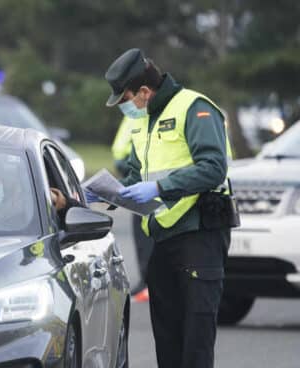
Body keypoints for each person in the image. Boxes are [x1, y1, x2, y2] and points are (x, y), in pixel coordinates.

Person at [99, 48, 233, 368]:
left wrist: (159, 188)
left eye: (126, 99)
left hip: (198, 236)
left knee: (195, 345)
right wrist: (102, 193)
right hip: (162, 239)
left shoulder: (194, 108)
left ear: (144, 92)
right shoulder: (144, 121)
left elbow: (214, 167)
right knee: (168, 343)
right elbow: (136, 174)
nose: (125, 107)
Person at [111, 117, 154, 297]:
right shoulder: (133, 114)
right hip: (134, 175)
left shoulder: (150, 115)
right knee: (140, 236)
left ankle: (149, 282)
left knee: (149, 238)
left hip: (152, 187)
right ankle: (145, 280)